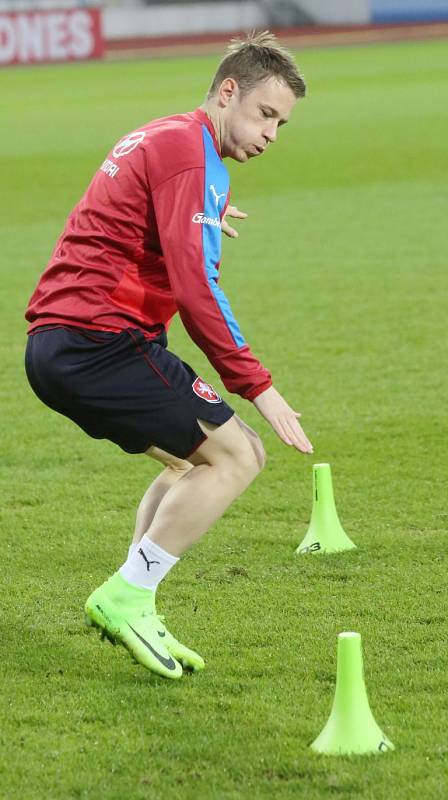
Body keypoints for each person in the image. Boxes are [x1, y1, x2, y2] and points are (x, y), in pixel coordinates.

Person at [24, 30, 313, 680]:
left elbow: (135, 212)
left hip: (60, 343)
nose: (271, 133)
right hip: (99, 340)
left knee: (195, 463)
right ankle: (129, 596)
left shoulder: (175, 140)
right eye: (266, 113)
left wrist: (203, 207)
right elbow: (196, 287)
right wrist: (256, 384)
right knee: (241, 454)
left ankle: (136, 599)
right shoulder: (189, 151)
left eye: (282, 124)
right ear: (228, 91)